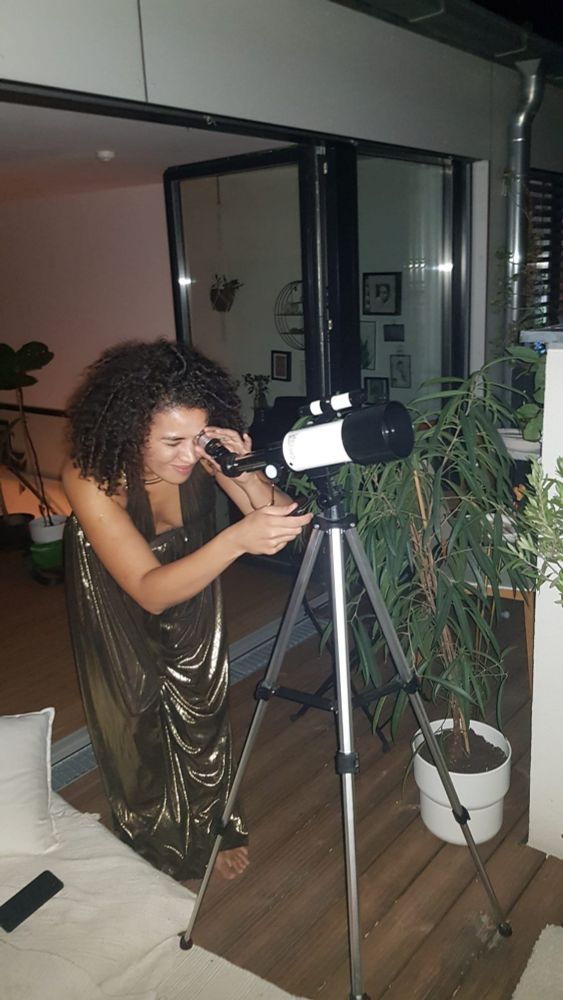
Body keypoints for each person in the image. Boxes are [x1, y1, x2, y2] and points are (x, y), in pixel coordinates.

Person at [62, 338, 312, 882]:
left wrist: (240, 469)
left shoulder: (202, 456)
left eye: (198, 437)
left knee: (201, 701)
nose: (187, 455)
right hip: (118, 594)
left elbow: (290, 518)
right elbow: (147, 590)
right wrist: (239, 539)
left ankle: (213, 823)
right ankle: (148, 831)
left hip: (193, 582)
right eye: (171, 440)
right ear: (130, 431)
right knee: (134, 714)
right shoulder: (89, 475)